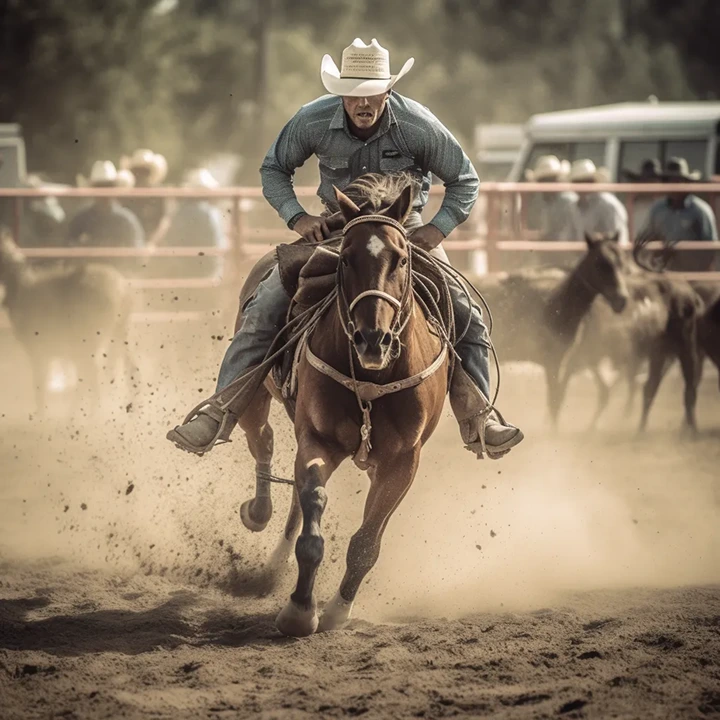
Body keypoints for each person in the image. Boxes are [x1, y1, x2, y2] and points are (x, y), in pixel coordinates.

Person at [168, 38, 523, 459]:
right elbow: (274, 168)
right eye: (354, 94)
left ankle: (479, 416)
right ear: (342, 94)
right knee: (264, 303)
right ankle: (220, 410)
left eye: (372, 93)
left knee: (465, 312)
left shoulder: (418, 125)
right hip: (338, 229)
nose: (363, 103)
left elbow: (465, 179)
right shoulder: (313, 119)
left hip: (404, 234)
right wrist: (299, 219)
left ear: (387, 92)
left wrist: (437, 230)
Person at [640, 157, 718, 272]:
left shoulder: (700, 211)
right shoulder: (657, 209)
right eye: (669, 181)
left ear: (686, 182)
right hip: (664, 273)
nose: (673, 185)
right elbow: (647, 239)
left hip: (694, 274)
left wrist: (699, 272)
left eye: (677, 181)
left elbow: (710, 248)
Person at [67, 161, 144, 268]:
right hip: (87, 275)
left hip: (119, 274)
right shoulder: (80, 219)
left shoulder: (126, 220)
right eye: (99, 187)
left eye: (107, 187)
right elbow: (69, 248)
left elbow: (137, 254)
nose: (103, 192)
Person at [159, 168, 228, 278]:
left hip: (185, 266)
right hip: (210, 267)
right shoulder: (213, 213)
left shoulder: (181, 211)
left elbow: (171, 238)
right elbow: (220, 242)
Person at [569, 159, 629, 246]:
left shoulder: (608, 205)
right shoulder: (574, 207)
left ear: (594, 182)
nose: (581, 186)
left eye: (586, 182)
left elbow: (617, 239)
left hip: (605, 257)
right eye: (577, 182)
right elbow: (570, 235)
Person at [120, 148, 169, 243]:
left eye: (145, 171)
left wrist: (151, 244)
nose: (140, 175)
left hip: (154, 244)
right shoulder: (125, 195)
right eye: (137, 171)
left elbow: (164, 222)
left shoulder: (159, 194)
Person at [525, 155, 577, 241]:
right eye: (544, 181)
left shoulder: (569, 201)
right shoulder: (542, 202)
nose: (547, 184)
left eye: (551, 180)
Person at [622, 158, 663, 233]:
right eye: (647, 181)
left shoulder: (664, 207)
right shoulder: (632, 205)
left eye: (653, 181)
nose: (650, 185)